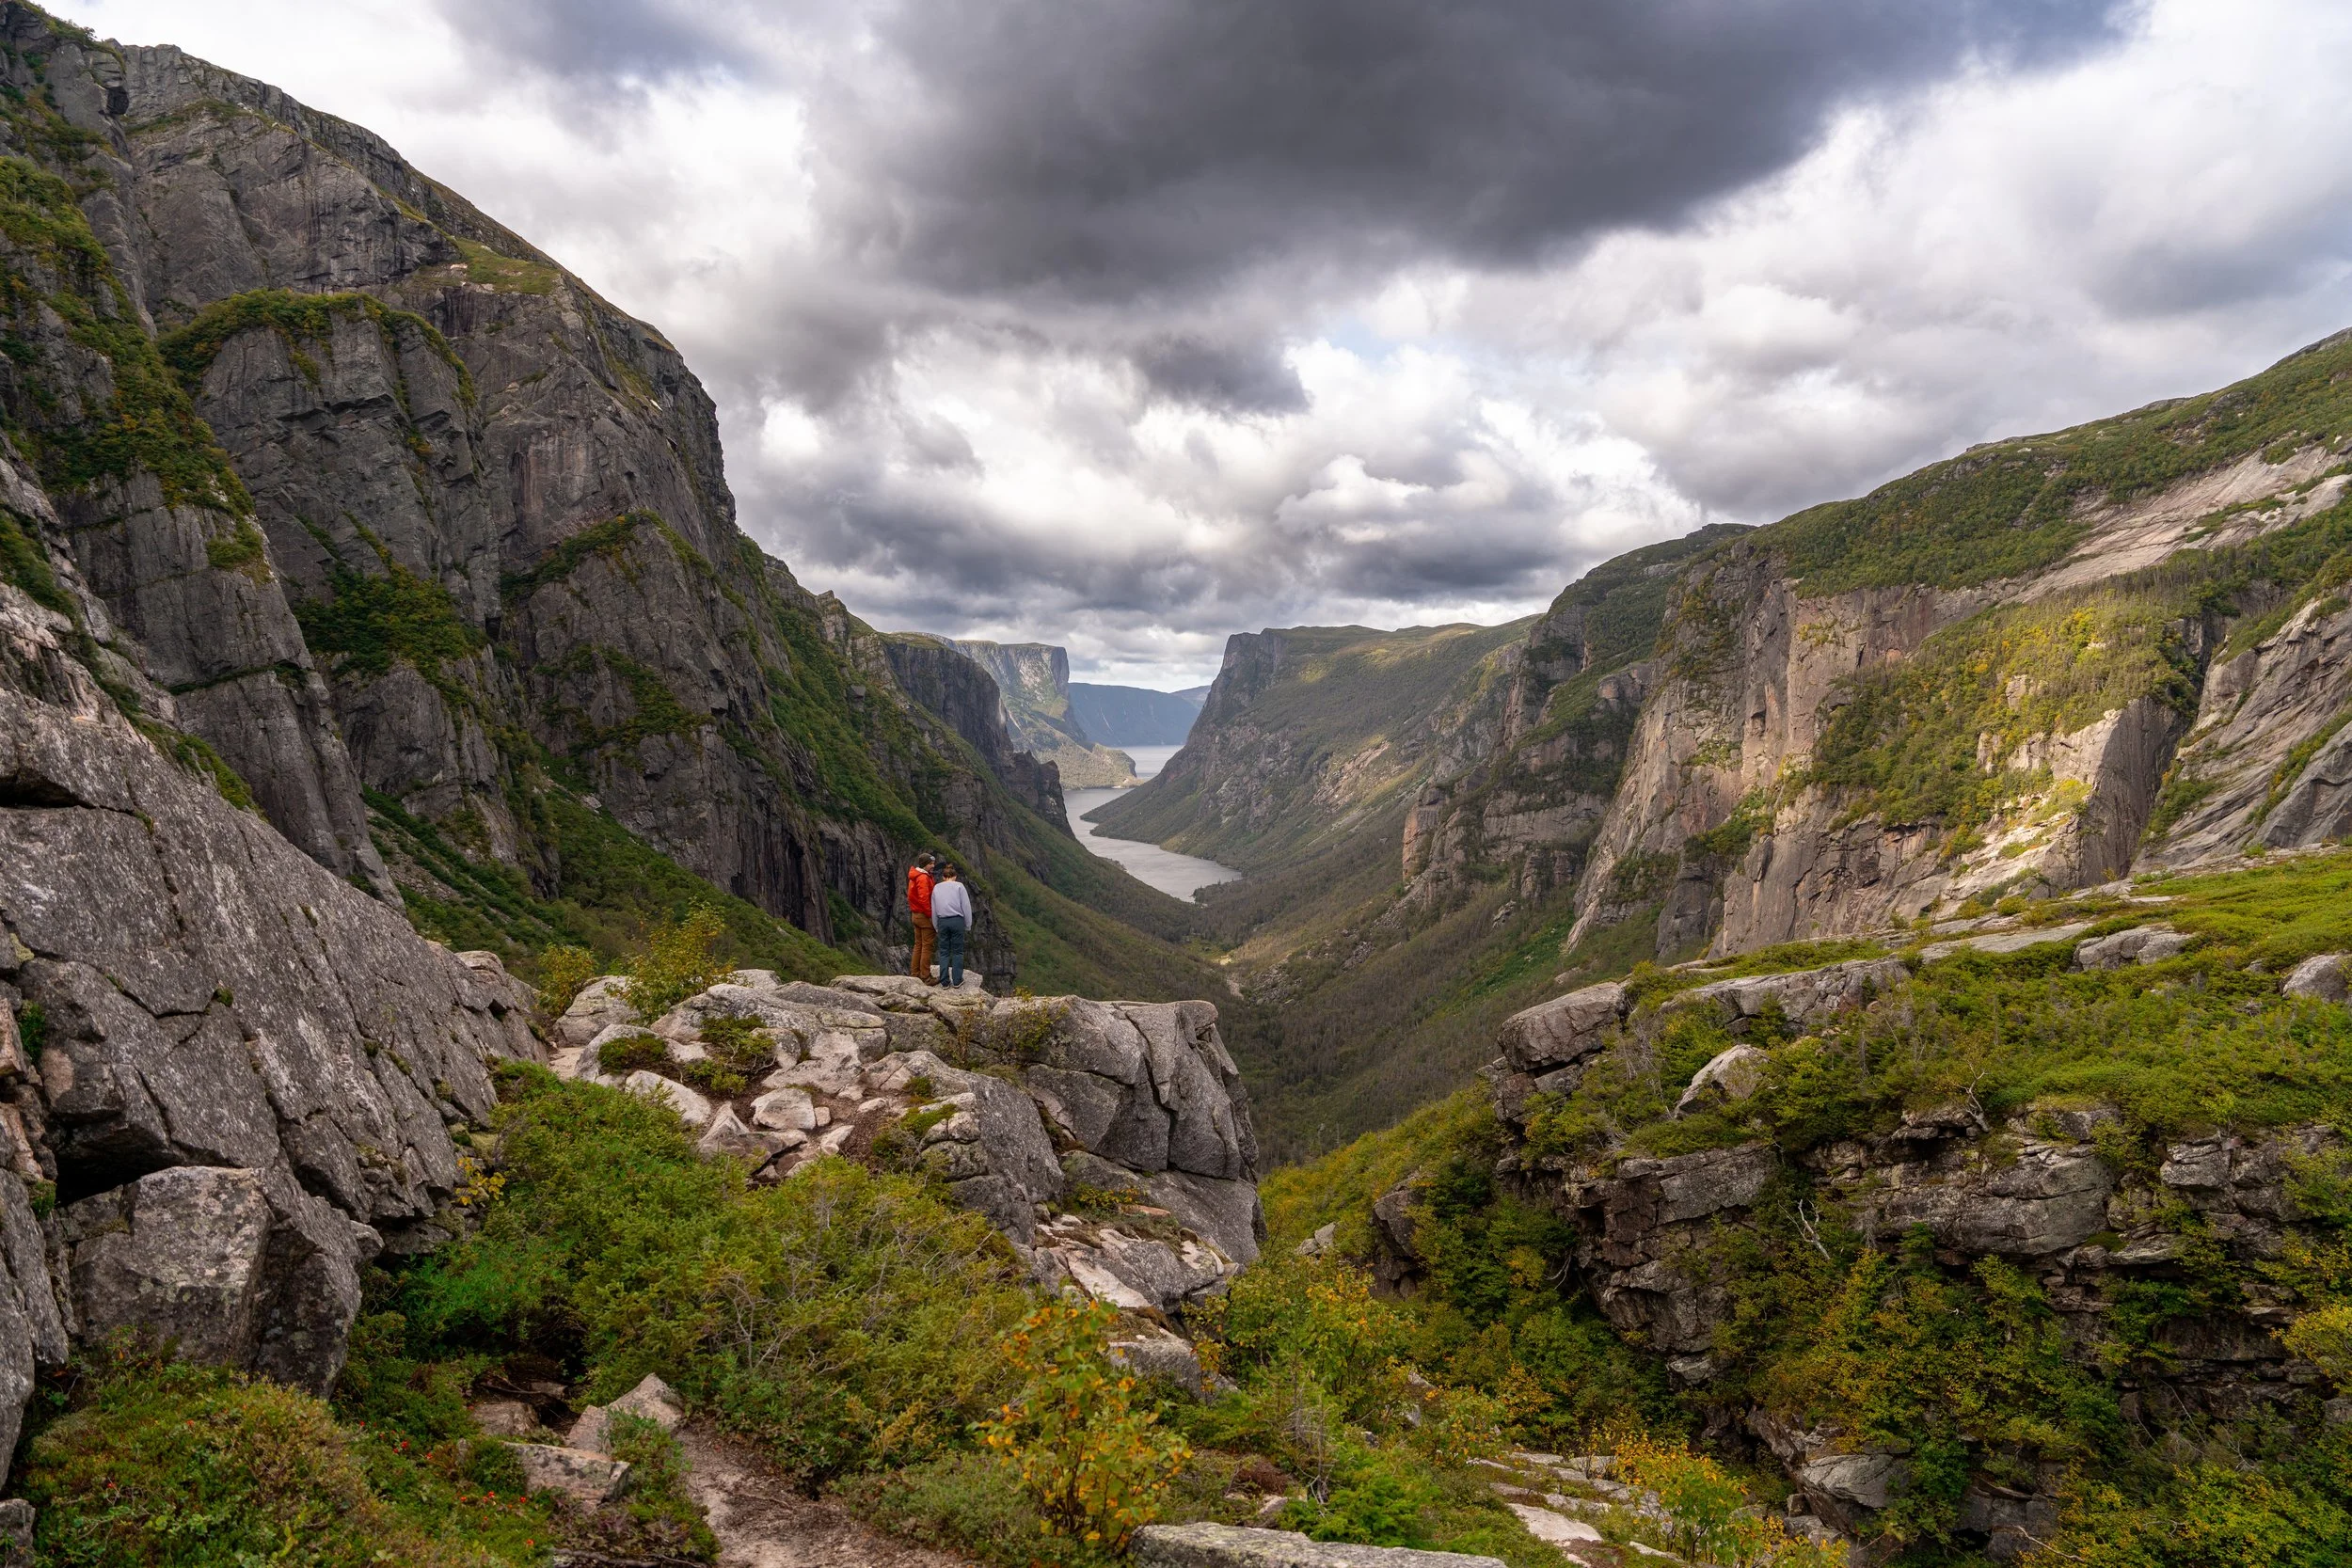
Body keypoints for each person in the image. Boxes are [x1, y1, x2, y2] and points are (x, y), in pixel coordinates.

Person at [929, 863, 973, 990]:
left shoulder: (937, 888)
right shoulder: (960, 887)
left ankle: (944, 982)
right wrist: (968, 924)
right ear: (955, 876)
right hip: (957, 921)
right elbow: (966, 906)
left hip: (942, 921)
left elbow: (934, 909)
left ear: (943, 877)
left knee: (944, 952)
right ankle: (957, 980)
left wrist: (936, 925)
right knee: (957, 951)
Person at [906, 851, 937, 983]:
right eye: (930, 864)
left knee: (918, 944)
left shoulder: (915, 876)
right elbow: (924, 898)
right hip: (924, 916)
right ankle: (925, 976)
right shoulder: (923, 878)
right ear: (925, 864)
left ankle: (915, 973)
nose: (933, 866)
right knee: (927, 945)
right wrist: (930, 915)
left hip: (915, 915)